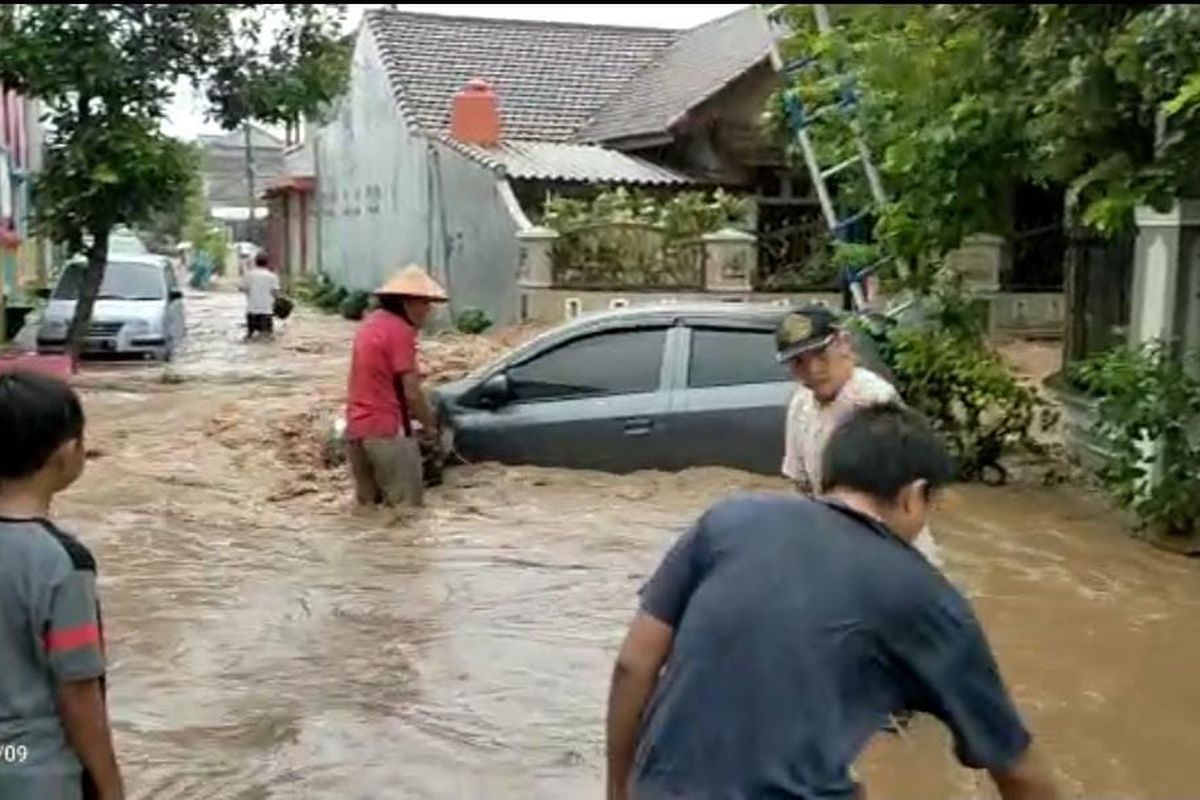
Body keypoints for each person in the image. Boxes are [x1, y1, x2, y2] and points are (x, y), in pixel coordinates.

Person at [606, 404, 1058, 800]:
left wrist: (617, 790)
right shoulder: (927, 596)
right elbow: (1018, 768)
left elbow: (633, 665)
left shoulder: (729, 520)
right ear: (915, 495)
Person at [0, 371, 124, 800]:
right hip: (31, 773)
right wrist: (111, 788)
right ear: (67, 451)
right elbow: (78, 692)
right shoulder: (63, 563)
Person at [777, 303, 942, 566]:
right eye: (798, 361)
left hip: (891, 546)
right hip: (837, 540)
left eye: (820, 354)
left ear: (843, 344)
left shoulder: (872, 401)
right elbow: (801, 485)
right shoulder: (800, 404)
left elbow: (888, 503)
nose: (813, 369)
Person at [344, 264, 447, 508]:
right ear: (406, 303)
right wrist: (431, 427)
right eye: (424, 303)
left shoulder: (369, 324)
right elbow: (411, 391)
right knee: (408, 514)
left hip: (356, 429)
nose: (428, 310)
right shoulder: (401, 331)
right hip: (387, 431)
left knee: (368, 511)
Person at [240, 252, 280, 341]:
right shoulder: (272, 276)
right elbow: (275, 292)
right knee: (267, 338)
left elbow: (242, 288)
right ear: (267, 262)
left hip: (252, 311)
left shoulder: (249, 275)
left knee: (250, 337)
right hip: (266, 312)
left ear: (255, 262)